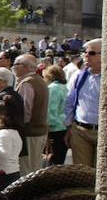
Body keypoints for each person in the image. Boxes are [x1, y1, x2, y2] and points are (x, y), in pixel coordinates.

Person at [64, 38, 102, 168]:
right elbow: (69, 101)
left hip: (103, 132)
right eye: (84, 52)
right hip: (80, 130)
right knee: (81, 173)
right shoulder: (78, 76)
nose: (86, 55)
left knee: (101, 173)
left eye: (91, 53)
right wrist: (69, 126)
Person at [11, 53, 50, 176]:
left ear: (25, 66)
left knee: (26, 170)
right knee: (35, 168)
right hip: (38, 131)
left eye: (16, 64)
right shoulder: (40, 80)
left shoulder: (27, 83)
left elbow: (25, 112)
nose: (13, 67)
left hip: (29, 133)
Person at [0, 99, 24, 190]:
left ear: (2, 117)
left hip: (1, 176)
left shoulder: (4, 134)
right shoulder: (13, 132)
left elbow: (4, 155)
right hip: (8, 173)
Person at [43, 65, 70, 166]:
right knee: (60, 159)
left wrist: (47, 130)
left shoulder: (52, 89)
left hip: (54, 128)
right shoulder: (65, 88)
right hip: (64, 126)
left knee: (53, 160)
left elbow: (51, 111)